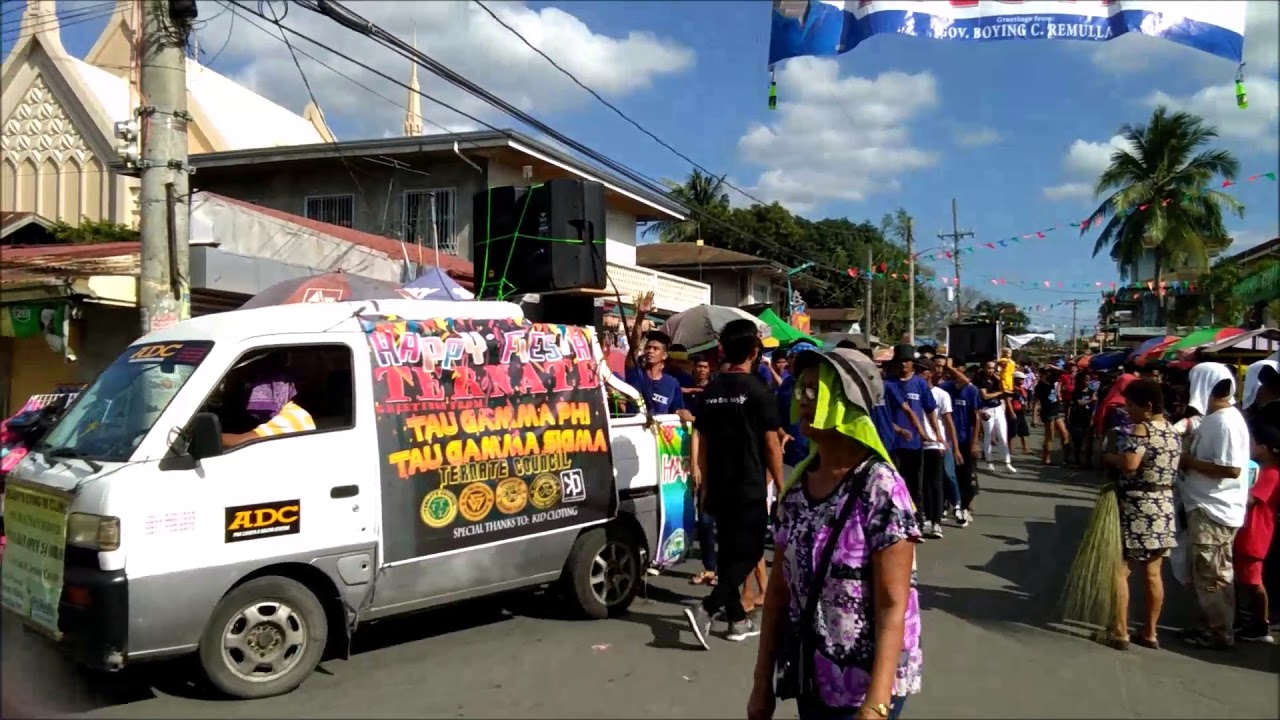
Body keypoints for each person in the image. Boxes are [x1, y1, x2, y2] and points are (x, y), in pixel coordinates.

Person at [748, 346, 920, 720]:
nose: (802, 401)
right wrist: (762, 681)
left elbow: (895, 604)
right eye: (800, 390)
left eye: (815, 391)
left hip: (864, 687)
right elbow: (778, 590)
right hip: (811, 677)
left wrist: (875, 704)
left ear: (845, 403)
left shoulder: (881, 489)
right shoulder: (795, 490)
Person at [685, 319, 784, 646]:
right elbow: (771, 444)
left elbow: (703, 439)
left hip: (719, 484)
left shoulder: (711, 390)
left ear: (723, 349)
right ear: (755, 352)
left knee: (729, 553)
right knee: (753, 549)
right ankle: (709, 606)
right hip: (749, 484)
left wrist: (704, 483)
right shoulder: (759, 390)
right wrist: (782, 486)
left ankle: (737, 622)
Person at [1098, 380, 1179, 650]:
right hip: (1164, 506)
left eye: (1130, 405)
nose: (1127, 410)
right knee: (1153, 573)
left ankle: (1120, 632)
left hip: (1138, 506)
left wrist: (1110, 458)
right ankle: (1150, 632)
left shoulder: (1141, 430)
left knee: (1121, 570)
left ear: (1147, 407)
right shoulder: (1172, 431)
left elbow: (1131, 464)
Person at [1179, 362, 1250, 650]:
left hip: (1215, 510)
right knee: (1207, 571)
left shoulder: (1226, 422)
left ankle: (1220, 632)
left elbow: (1231, 468)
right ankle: (1208, 625)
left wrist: (1188, 462)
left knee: (1213, 573)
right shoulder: (1215, 417)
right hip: (1206, 506)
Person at [1235, 400, 1280, 643]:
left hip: (1255, 533)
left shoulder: (1270, 474)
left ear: (1263, 447)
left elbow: (1251, 499)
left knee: (1253, 582)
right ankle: (1254, 622)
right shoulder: (1265, 470)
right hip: (1251, 531)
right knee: (1247, 579)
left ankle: (1261, 626)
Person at [884, 344, 941, 526]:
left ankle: (917, 517)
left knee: (915, 482)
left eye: (907, 362)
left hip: (915, 443)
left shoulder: (920, 383)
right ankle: (895, 518)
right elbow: (883, 415)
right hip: (893, 443)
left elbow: (930, 409)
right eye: (900, 362)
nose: (903, 365)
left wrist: (936, 434)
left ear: (912, 364)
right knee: (893, 483)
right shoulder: (888, 384)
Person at [621, 292, 685, 415]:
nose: (650, 351)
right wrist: (640, 318)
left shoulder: (672, 384)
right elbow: (634, 346)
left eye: (656, 349)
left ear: (665, 355)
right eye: (648, 347)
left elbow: (677, 410)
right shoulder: (635, 373)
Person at [939, 358, 980, 527]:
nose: (959, 373)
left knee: (966, 475)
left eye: (960, 370)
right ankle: (947, 505)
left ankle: (964, 506)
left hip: (965, 439)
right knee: (948, 474)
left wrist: (975, 442)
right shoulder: (945, 388)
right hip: (947, 440)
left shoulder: (971, 391)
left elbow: (975, 418)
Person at [918, 361, 954, 539]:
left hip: (934, 444)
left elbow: (947, 421)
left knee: (936, 484)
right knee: (920, 485)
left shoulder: (941, 395)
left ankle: (936, 521)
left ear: (930, 374)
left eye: (923, 371)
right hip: (915, 444)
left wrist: (943, 441)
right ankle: (922, 517)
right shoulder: (913, 391)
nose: (920, 374)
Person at [976, 360, 1015, 473]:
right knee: (988, 435)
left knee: (1003, 435)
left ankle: (1007, 462)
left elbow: (1006, 388)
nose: (991, 370)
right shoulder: (980, 380)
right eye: (988, 368)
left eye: (993, 368)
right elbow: (985, 396)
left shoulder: (995, 378)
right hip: (986, 409)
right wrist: (999, 393)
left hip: (998, 408)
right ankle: (989, 462)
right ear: (984, 368)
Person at [1035, 366, 1069, 465]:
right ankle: (1046, 458)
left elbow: (1064, 371)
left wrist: (1052, 366)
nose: (1050, 374)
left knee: (1065, 434)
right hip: (1047, 412)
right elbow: (1036, 402)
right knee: (1050, 436)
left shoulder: (1053, 382)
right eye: (1048, 372)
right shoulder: (1040, 385)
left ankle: (1065, 457)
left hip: (1056, 410)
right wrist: (1035, 418)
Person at [1009, 371, 1032, 455]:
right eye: (1021, 379)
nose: (1023, 381)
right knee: (1012, 431)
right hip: (1014, 411)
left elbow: (1025, 398)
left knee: (1023, 430)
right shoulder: (1011, 389)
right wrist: (1011, 412)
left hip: (1020, 411)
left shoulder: (1021, 388)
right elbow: (1009, 401)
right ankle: (1010, 449)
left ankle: (1025, 448)